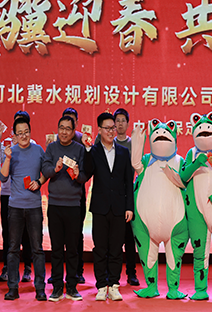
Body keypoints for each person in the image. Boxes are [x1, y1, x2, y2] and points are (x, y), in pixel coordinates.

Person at [82, 112, 134, 301]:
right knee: (100, 248)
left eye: (113, 128)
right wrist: (87, 150)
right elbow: (87, 173)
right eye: (107, 128)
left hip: (119, 207)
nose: (111, 131)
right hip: (100, 207)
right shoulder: (94, 151)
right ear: (100, 130)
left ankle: (114, 285)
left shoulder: (123, 152)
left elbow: (128, 181)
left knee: (116, 248)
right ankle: (101, 286)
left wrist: (129, 207)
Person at [0, 117, 46, 302]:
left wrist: (39, 182)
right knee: (13, 249)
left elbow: (46, 171)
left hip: (34, 206)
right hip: (16, 207)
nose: (23, 136)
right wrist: (7, 158)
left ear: (30, 131)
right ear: (14, 135)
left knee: (37, 249)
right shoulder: (11, 152)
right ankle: (13, 288)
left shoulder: (38, 150)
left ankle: (40, 288)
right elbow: (3, 178)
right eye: (19, 133)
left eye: (26, 132)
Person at [42, 115, 86, 301]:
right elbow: (45, 170)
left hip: (73, 206)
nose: (64, 132)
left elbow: (84, 176)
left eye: (68, 128)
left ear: (74, 131)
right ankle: (57, 287)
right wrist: (56, 169)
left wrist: (77, 174)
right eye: (61, 128)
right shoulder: (52, 148)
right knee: (57, 249)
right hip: (55, 205)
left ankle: (72, 287)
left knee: (73, 249)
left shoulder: (80, 149)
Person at [0, 111, 33, 284]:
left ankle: (27, 267)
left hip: (26, 196)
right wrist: (0, 140)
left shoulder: (33, 145)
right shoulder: (7, 144)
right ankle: (7, 267)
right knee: (8, 233)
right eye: (18, 128)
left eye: (24, 127)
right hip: (7, 194)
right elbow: (0, 167)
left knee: (26, 232)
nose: (21, 133)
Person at [62, 107, 86, 284]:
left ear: (76, 123)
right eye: (65, 121)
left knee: (77, 234)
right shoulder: (58, 140)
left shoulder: (82, 141)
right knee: (60, 236)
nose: (67, 127)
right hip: (61, 194)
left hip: (78, 194)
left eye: (71, 121)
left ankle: (78, 271)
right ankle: (61, 273)